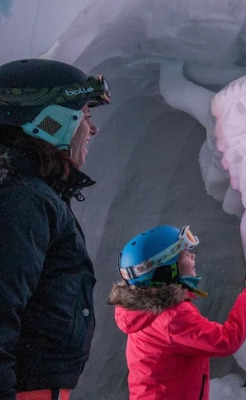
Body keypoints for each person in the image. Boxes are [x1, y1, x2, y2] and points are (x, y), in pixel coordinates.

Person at [0, 59, 111, 400]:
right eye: (86, 117)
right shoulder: (23, 199)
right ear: (53, 123)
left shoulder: (31, 194)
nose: (93, 131)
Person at [108, 225, 246, 400]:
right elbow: (227, 340)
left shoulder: (145, 311)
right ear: (168, 270)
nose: (192, 256)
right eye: (184, 254)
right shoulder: (171, 318)